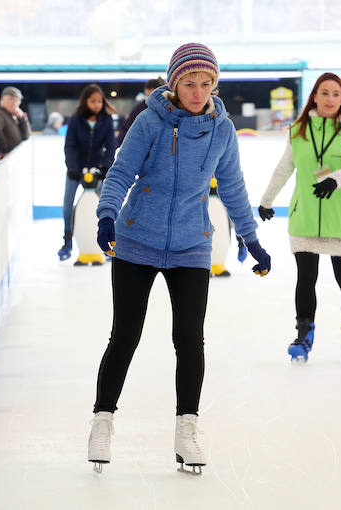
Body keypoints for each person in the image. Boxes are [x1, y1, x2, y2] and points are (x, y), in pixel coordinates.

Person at [87, 43, 272, 474]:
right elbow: (120, 172)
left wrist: (251, 237)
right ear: (174, 84)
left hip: (191, 244)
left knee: (189, 339)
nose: (198, 91)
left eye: (206, 83)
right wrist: (107, 214)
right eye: (189, 82)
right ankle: (102, 421)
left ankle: (187, 430)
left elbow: (232, 187)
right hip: (137, 240)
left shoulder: (221, 129)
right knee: (126, 335)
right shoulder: (149, 122)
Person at [257, 72, 341, 363]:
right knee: (306, 278)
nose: (330, 99)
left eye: (336, 94)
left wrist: (334, 179)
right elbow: (284, 168)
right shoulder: (298, 130)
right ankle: (303, 333)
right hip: (305, 217)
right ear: (314, 96)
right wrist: (266, 200)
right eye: (325, 93)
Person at [58, 84, 117, 261]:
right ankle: (67, 243)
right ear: (86, 101)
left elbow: (111, 145)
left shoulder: (106, 120)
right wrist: (73, 168)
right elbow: (70, 145)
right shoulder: (76, 119)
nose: (97, 104)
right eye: (93, 101)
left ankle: (108, 243)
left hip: (97, 169)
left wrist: (106, 166)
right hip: (76, 169)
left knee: (105, 205)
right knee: (68, 203)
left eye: (99, 101)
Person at [116, 77, 164, 147]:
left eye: (152, 95)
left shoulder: (169, 109)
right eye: (147, 95)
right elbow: (126, 128)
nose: (149, 99)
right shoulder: (140, 108)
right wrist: (118, 146)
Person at [0, 86, 31, 160]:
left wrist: (22, 119)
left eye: (17, 100)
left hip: (13, 160)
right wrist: (4, 150)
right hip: (5, 162)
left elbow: (26, 137)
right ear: (2, 99)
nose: (14, 103)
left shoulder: (12, 115)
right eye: (11, 99)